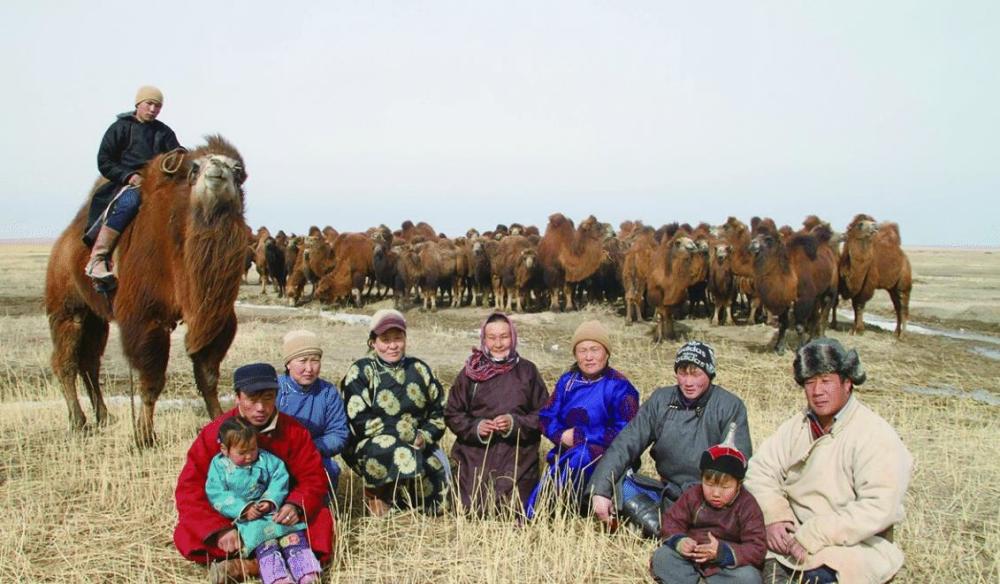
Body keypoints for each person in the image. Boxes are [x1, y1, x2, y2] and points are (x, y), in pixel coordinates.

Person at [744, 338, 912, 584]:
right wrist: (775, 517)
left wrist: (815, 533)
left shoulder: (874, 434)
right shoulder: (797, 426)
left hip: (852, 543)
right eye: (810, 382)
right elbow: (760, 471)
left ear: (847, 383)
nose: (817, 391)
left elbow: (878, 507)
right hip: (793, 533)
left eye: (826, 381)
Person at [174, 363, 333, 582]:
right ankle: (263, 562)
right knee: (187, 535)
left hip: (279, 513)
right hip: (233, 516)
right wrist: (219, 529)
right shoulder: (216, 433)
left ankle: (252, 565)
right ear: (237, 397)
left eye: (268, 398)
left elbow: (313, 477)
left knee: (322, 521)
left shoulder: (293, 431)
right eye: (251, 398)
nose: (260, 407)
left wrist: (295, 504)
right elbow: (189, 489)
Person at [589, 341, 752, 536]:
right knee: (618, 481)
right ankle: (666, 528)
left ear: (709, 374)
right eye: (683, 373)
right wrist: (600, 490)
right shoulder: (661, 400)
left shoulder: (730, 406)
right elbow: (626, 443)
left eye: (696, 374)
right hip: (667, 494)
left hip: (709, 497)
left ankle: (670, 530)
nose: (688, 382)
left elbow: (737, 465)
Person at [524, 320, 640, 518]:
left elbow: (625, 431)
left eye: (594, 349)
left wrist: (580, 436)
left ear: (606, 352)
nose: (588, 357)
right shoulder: (567, 382)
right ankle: (545, 511)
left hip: (605, 458)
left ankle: (539, 513)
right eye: (582, 350)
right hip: (566, 453)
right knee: (575, 457)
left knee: (582, 456)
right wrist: (560, 435)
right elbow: (546, 416)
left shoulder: (620, 387)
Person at [340, 309, 450, 516]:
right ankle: (379, 499)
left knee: (436, 479)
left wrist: (422, 436)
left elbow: (439, 413)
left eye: (398, 338)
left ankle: (412, 505)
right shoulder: (362, 370)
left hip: (416, 441)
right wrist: (401, 433)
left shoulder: (419, 369)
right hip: (372, 443)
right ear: (373, 342)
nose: (392, 345)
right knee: (390, 451)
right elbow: (358, 420)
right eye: (385, 339)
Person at [445, 311, 549, 514]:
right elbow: (452, 413)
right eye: (492, 338)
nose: (498, 344)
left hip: (518, 455)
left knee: (516, 511)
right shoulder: (471, 372)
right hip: (476, 454)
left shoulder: (527, 371)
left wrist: (514, 423)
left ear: (513, 337)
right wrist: (476, 427)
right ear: (483, 339)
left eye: (504, 336)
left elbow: (544, 414)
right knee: (472, 509)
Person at [85, 85, 181, 287]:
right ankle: (98, 258)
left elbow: (176, 156)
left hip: (159, 186)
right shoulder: (120, 128)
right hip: (127, 184)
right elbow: (104, 160)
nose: (153, 109)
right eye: (150, 104)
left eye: (158, 106)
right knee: (130, 201)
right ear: (138, 104)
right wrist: (129, 176)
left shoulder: (164, 132)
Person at [205, 417, 321, 584]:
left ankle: (307, 572)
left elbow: (279, 476)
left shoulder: (265, 459)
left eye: (253, 449)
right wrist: (244, 508)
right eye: (242, 452)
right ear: (224, 450)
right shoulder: (219, 466)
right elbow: (216, 492)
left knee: (293, 537)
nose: (249, 456)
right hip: (249, 519)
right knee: (266, 545)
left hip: (272, 511)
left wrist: (270, 499)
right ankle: (277, 577)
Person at [651, 424, 766, 584]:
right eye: (709, 484)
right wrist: (680, 541)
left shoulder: (748, 505)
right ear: (702, 478)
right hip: (691, 558)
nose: (716, 493)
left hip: (724, 568)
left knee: (750, 578)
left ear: (738, 485)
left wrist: (722, 552)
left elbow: (757, 548)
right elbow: (672, 521)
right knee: (662, 557)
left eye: (725, 487)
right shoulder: (694, 494)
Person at [277, 329, 349, 493]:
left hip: (312, 454)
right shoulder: (275, 389)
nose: (309, 368)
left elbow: (338, 433)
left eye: (315, 361)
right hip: (276, 454)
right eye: (302, 361)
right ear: (288, 364)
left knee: (330, 469)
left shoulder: (328, 392)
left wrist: (309, 448)